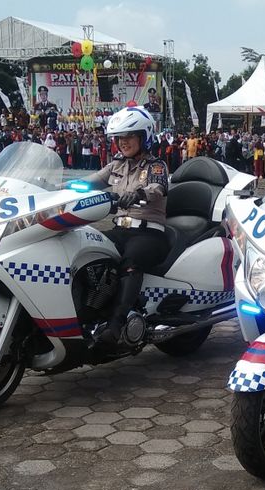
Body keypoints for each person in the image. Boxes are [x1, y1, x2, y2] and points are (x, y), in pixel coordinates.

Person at [82, 107, 169, 346]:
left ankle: (116, 326)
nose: (124, 142)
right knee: (85, 250)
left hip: (149, 233)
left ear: (144, 137)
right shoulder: (116, 165)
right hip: (121, 230)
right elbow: (89, 183)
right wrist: (52, 188)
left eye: (129, 136)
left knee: (130, 261)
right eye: (120, 138)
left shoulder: (156, 166)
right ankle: (89, 314)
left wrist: (140, 193)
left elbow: (158, 188)